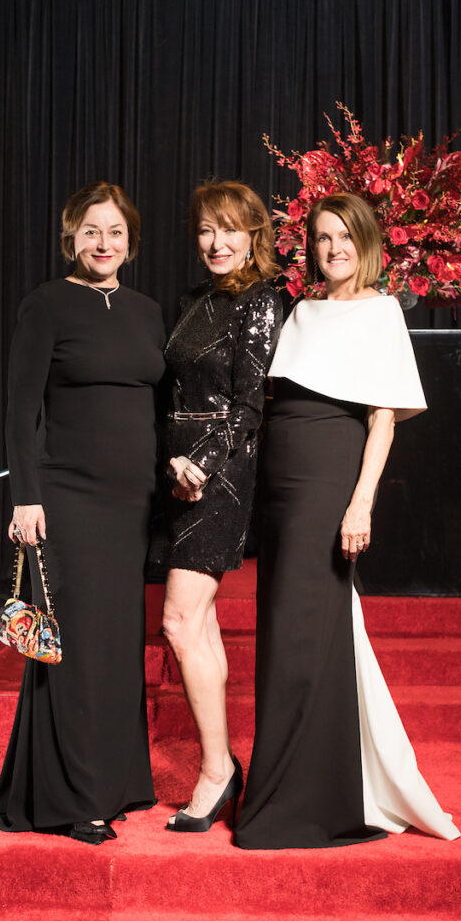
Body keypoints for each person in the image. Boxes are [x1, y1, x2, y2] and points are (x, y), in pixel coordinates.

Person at [235, 192, 460, 849]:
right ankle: (310, 787)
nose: (333, 248)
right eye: (322, 237)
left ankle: (297, 804)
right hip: (278, 484)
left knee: (300, 633)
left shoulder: (381, 311)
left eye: (344, 237)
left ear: (367, 243)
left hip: (328, 481)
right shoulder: (302, 309)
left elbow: (382, 418)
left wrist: (360, 502)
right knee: (288, 631)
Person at [0, 181, 165, 845]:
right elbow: (20, 409)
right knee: (74, 647)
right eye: (89, 231)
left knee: (117, 644)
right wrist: (26, 497)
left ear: (130, 241)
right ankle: (75, 799)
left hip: (130, 503)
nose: (102, 243)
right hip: (67, 500)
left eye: (113, 231)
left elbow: (156, 410)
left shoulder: (146, 312)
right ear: (71, 239)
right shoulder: (47, 304)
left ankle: (121, 781)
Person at [157, 181, 283, 832]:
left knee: (180, 622)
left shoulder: (261, 301)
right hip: (172, 471)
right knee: (195, 626)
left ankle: (215, 770)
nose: (216, 242)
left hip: (221, 475)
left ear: (254, 235)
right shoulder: (192, 300)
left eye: (230, 229)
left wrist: (202, 465)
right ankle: (219, 765)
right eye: (206, 229)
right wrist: (167, 463)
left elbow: (250, 402)